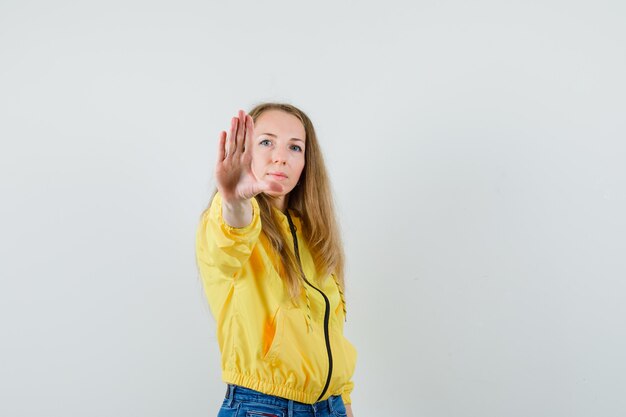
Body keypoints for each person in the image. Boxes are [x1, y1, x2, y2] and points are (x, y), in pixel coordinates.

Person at [195, 103, 357, 417]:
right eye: (266, 142)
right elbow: (229, 239)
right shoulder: (232, 224)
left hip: (330, 408)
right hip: (263, 407)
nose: (280, 156)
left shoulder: (315, 237)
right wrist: (232, 200)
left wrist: (345, 407)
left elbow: (333, 339)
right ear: (246, 152)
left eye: (294, 147)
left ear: (307, 163)